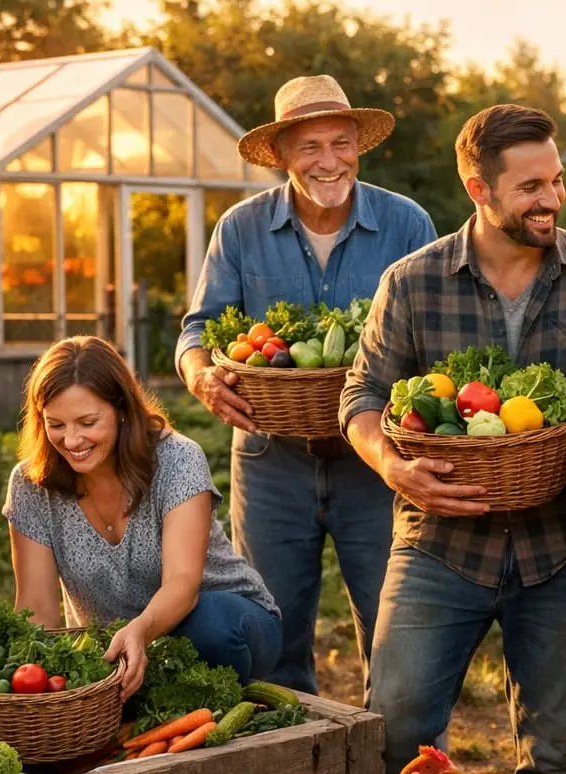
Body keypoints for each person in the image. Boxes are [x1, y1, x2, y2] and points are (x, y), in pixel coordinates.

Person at [341, 103, 566, 774]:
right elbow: (362, 393)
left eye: (557, 181)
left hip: (560, 543)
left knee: (559, 748)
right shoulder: (415, 281)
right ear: (480, 189)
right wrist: (391, 465)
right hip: (439, 543)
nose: (551, 200)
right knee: (398, 723)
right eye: (531, 186)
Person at [175, 74, 437, 696]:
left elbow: (436, 341)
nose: (328, 161)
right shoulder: (240, 229)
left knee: (394, 632)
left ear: (358, 146)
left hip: (376, 461)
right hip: (271, 463)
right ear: (283, 154)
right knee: (275, 633)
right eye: (310, 147)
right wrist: (202, 376)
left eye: (340, 144)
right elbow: (197, 329)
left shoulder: (406, 224)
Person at [6, 337, 281, 696]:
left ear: (121, 409)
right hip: (116, 651)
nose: (72, 440)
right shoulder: (31, 485)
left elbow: (183, 583)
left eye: (87, 422)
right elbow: (37, 610)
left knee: (210, 626)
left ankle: (214, 699)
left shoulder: (176, 459)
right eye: (55, 425)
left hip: (228, 622)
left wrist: (140, 630)